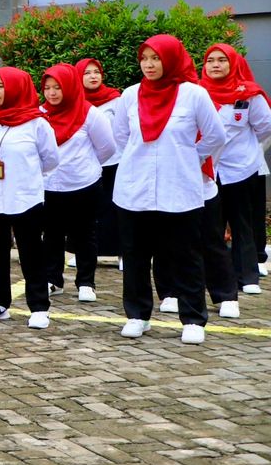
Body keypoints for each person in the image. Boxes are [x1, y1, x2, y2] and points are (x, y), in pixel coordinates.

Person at [110, 35, 226, 344]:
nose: (149, 64)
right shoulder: (130, 95)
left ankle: (192, 318)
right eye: (144, 58)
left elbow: (215, 135)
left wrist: (189, 156)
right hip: (134, 189)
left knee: (185, 254)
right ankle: (137, 315)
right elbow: (120, 136)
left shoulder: (193, 94)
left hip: (180, 188)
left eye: (156, 58)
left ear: (171, 59)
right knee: (135, 255)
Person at [0, 67, 59, 329]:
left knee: (31, 252)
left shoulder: (36, 121)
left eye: (1, 85)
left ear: (16, 87)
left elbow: (50, 158)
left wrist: (23, 173)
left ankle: (39, 307)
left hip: (25, 196)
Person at [40, 63, 117, 302]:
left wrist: (84, 166)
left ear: (69, 87)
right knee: (51, 234)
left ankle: (86, 282)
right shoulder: (39, 114)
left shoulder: (89, 112)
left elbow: (107, 148)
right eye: (48, 88)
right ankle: (53, 279)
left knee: (85, 233)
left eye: (58, 87)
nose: (52, 93)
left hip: (83, 184)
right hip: (49, 185)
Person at [202, 44, 270, 295]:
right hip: (209, 170)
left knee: (242, 224)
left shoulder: (250, 94)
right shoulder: (198, 92)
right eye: (211, 60)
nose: (216, 65)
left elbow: (265, 127)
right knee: (211, 226)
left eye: (222, 60)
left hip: (241, 168)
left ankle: (248, 276)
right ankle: (216, 278)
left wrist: (248, 150)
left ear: (234, 64)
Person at [76, 57, 126, 258]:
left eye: (96, 72)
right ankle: (86, 252)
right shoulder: (75, 100)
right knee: (88, 211)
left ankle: (121, 253)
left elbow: (124, 130)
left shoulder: (116, 99)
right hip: (86, 164)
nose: (93, 76)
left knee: (115, 208)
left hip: (114, 161)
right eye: (87, 73)